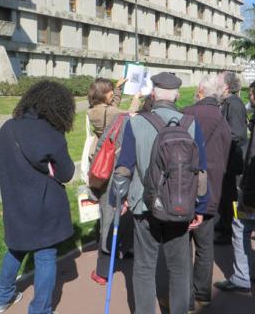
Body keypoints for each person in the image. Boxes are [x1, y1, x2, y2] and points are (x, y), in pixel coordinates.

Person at [111, 72, 208, 314]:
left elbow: (124, 167)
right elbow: (201, 170)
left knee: (144, 266)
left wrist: (119, 197)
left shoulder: (135, 123)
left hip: (144, 206)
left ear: (153, 93)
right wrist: (201, 206)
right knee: (179, 267)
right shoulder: (191, 124)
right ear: (176, 95)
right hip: (180, 204)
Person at [0, 81, 76, 314]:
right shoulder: (51, 133)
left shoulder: (7, 128)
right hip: (44, 205)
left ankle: (3, 297)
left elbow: (1, 163)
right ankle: (40, 310)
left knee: (15, 248)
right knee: (45, 255)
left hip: (15, 201)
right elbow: (67, 173)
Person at [215, 78, 255, 293]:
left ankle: (241, 278)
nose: (249, 98)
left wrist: (249, 194)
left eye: (251, 95)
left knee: (240, 228)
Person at [183, 74, 232, 311]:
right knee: (205, 245)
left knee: (182, 244)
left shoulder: (188, 113)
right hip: (212, 189)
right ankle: (202, 294)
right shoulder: (222, 119)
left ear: (201, 91)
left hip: (186, 188)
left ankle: (185, 298)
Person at [87, 77, 141, 284]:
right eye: (110, 92)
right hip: (113, 161)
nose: (113, 95)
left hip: (103, 156)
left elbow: (113, 106)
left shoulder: (95, 110)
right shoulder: (112, 114)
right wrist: (135, 98)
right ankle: (106, 265)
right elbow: (128, 115)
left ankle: (115, 253)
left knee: (110, 211)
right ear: (104, 94)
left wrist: (117, 89)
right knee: (113, 211)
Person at [215, 71, 248, 244]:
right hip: (228, 156)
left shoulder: (233, 104)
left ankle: (234, 229)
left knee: (233, 195)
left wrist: (217, 137)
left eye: (218, 82)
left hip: (234, 158)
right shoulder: (227, 102)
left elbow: (237, 133)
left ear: (226, 87)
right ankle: (225, 223)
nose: (216, 84)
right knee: (227, 194)